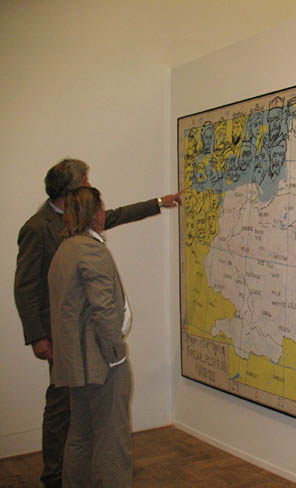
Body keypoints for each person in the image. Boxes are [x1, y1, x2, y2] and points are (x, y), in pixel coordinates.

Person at [14, 158, 182, 488]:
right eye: (86, 183)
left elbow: (114, 216)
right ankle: (54, 475)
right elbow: (27, 288)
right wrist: (40, 337)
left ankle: (73, 478)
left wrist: (159, 202)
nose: (91, 186)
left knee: (80, 427)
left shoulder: (70, 240)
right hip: (80, 347)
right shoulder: (43, 230)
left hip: (76, 344)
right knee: (85, 422)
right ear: (74, 196)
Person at [48, 186, 131, 487]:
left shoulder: (65, 250)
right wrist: (116, 354)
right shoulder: (91, 251)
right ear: (95, 214)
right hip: (100, 363)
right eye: (102, 208)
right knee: (112, 439)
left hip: (77, 365)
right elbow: (103, 309)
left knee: (80, 435)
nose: (104, 213)